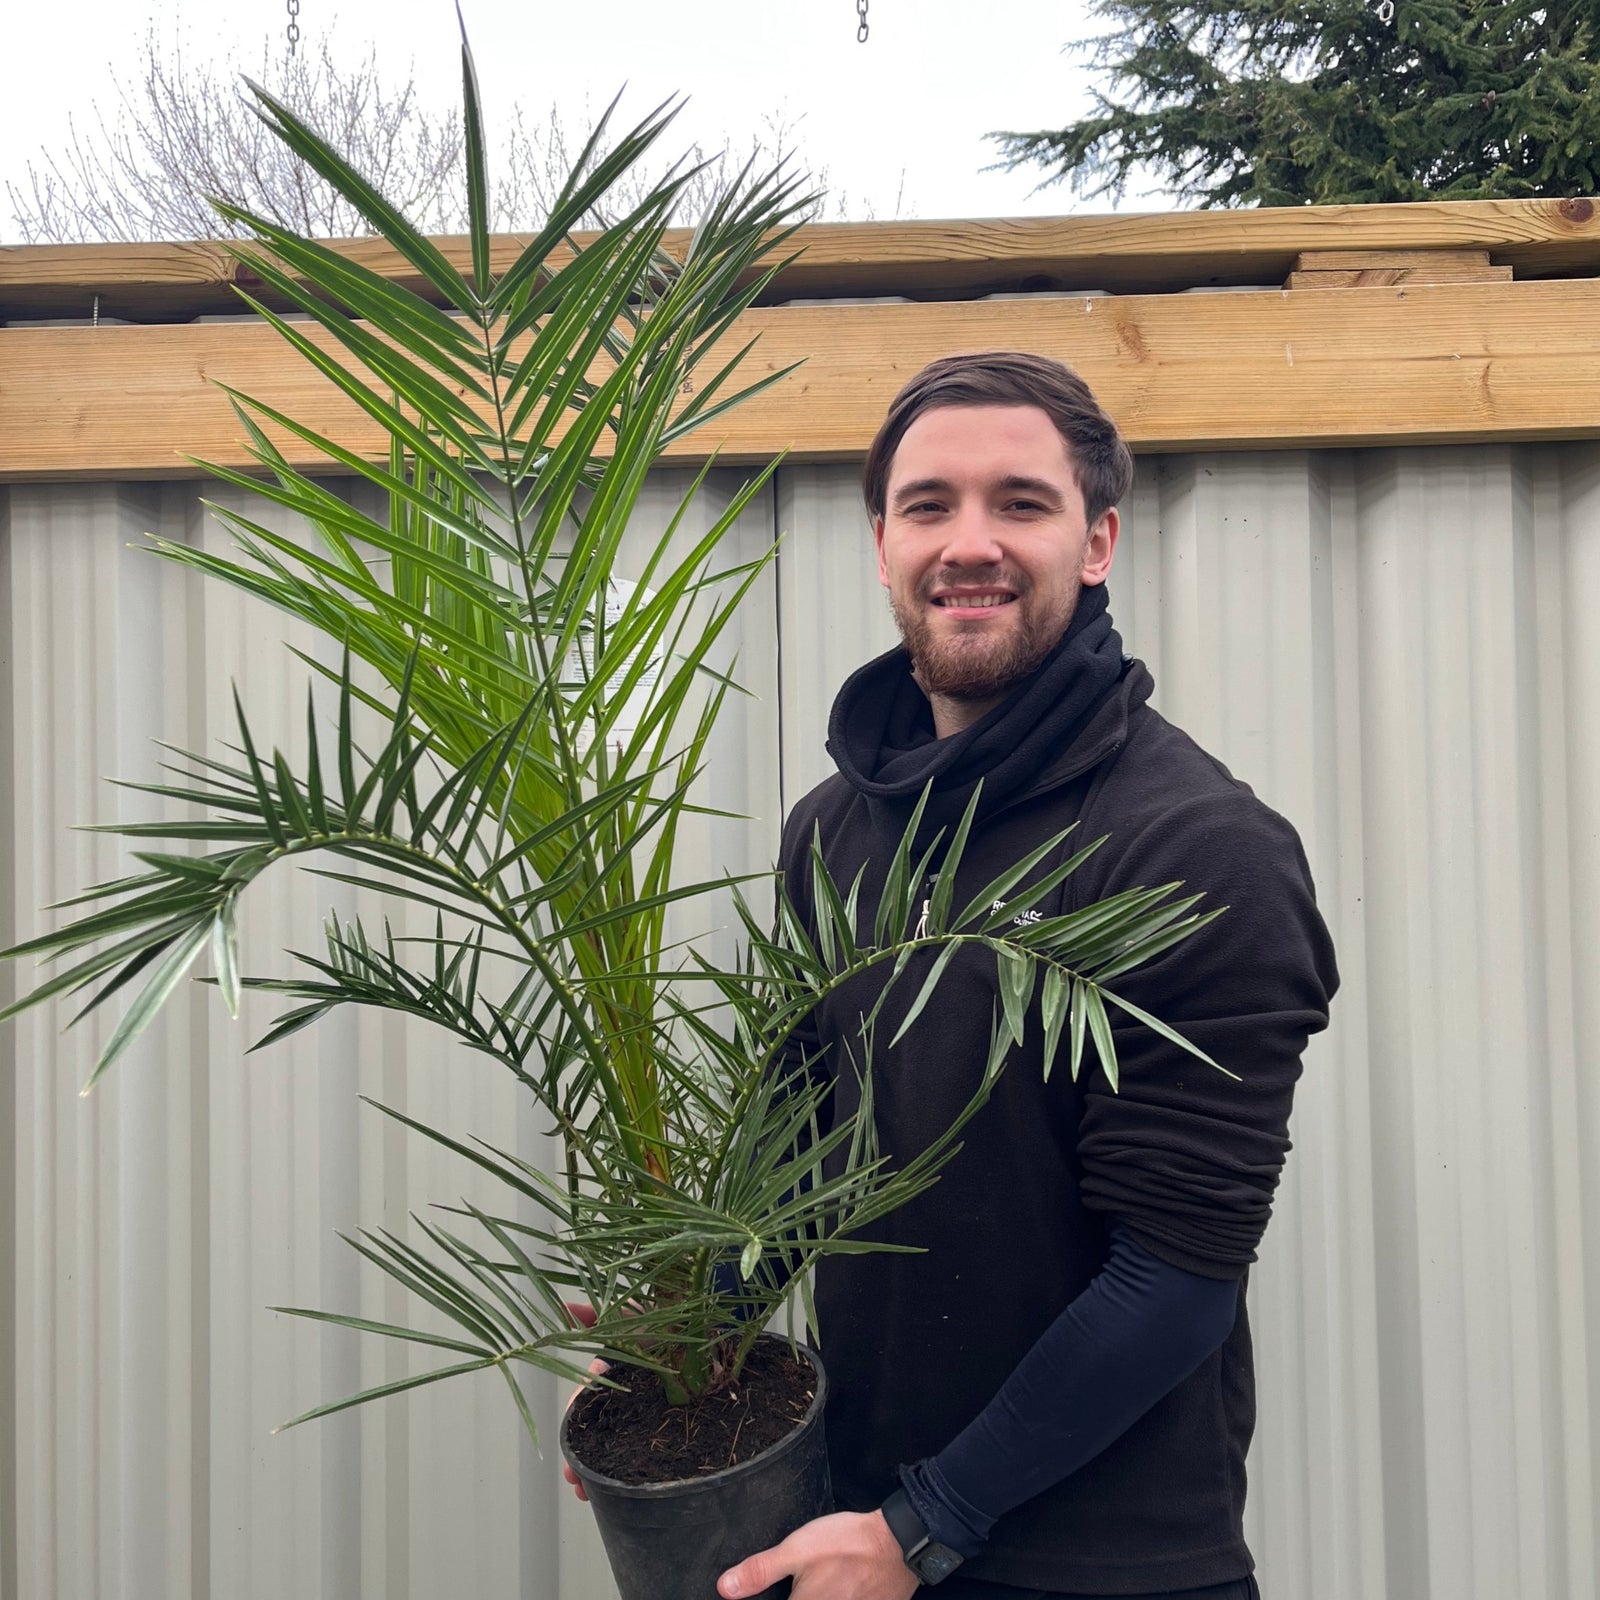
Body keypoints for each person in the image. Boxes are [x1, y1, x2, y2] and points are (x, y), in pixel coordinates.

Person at [710, 352, 1339, 1600]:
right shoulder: (832, 830)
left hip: (1101, 1558)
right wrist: (689, 1329)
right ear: (881, 544)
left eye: (1023, 503)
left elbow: (1174, 1278)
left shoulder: (1197, 845)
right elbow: (808, 1144)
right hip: (859, 1529)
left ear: (1097, 541)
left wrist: (925, 1525)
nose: (971, 542)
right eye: (930, 505)